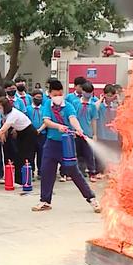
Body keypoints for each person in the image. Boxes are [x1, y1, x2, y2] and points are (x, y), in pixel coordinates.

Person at [32, 79, 100, 213]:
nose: (58, 97)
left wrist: (79, 128)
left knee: (74, 172)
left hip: (66, 144)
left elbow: (72, 119)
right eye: (55, 94)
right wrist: (59, 127)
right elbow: (47, 121)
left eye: (60, 94)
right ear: (50, 94)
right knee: (46, 171)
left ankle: (92, 199)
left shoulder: (68, 106)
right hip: (51, 144)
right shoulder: (47, 105)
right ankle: (45, 201)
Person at [0, 97, 37, 186]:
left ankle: (23, 180)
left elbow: (2, 130)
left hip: (29, 133)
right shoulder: (5, 113)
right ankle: (18, 180)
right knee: (17, 156)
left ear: (5, 107)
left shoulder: (13, 114)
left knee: (23, 156)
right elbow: (4, 121)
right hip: (20, 132)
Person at [74, 81, 98, 182]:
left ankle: (92, 172)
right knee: (77, 154)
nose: (88, 94)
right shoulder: (75, 103)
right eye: (86, 91)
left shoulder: (92, 106)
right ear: (82, 91)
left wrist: (94, 134)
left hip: (87, 133)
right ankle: (78, 172)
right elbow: (72, 117)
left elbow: (93, 120)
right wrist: (73, 130)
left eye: (90, 92)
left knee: (89, 154)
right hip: (76, 133)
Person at [95, 84, 121, 176]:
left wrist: (117, 99)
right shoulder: (101, 106)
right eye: (108, 95)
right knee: (100, 155)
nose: (109, 98)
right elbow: (95, 108)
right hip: (102, 133)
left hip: (113, 135)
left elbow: (123, 110)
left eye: (111, 95)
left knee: (112, 153)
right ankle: (100, 171)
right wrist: (101, 99)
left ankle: (112, 170)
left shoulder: (116, 106)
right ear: (104, 94)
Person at [26, 89, 47, 179]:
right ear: (32, 97)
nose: (39, 99)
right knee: (30, 153)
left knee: (41, 153)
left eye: (41, 98)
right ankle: (31, 172)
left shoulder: (44, 109)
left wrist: (39, 129)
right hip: (31, 134)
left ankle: (41, 171)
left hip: (42, 133)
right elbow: (26, 120)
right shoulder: (28, 109)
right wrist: (32, 130)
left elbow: (46, 121)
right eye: (37, 97)